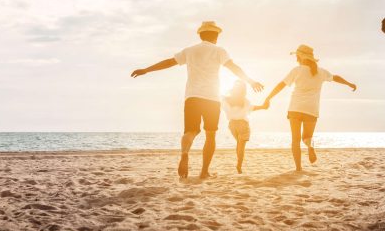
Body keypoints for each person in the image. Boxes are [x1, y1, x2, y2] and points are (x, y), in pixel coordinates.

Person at [131, 21, 263, 179]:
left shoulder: (190, 50)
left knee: (190, 131)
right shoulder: (219, 51)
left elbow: (169, 62)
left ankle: (185, 153)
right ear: (216, 36)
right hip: (212, 98)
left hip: (192, 97)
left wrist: (146, 70)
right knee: (210, 134)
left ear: (201, 35)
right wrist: (251, 81)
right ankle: (204, 171)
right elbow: (233, 67)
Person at [263, 44, 356, 171]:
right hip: (311, 109)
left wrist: (268, 98)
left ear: (300, 56)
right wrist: (349, 84)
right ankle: (310, 147)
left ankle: (298, 168)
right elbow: (335, 77)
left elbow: (281, 85)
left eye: (296, 55)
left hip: (295, 108)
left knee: (295, 140)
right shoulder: (321, 71)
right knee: (307, 137)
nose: (296, 58)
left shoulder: (296, 70)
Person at [222, 80, 268, 174]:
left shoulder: (226, 100)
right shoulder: (244, 101)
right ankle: (239, 164)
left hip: (232, 125)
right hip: (243, 124)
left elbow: (220, 104)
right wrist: (263, 107)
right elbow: (251, 108)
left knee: (239, 144)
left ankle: (238, 162)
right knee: (241, 146)